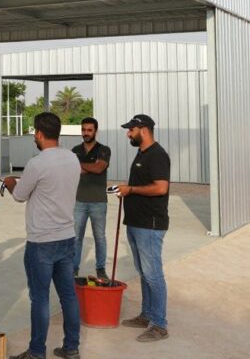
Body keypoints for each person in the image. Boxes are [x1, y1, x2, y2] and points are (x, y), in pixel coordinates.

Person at [3, 112, 81, 359]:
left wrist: (11, 181)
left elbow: (20, 195)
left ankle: (37, 352)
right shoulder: (72, 159)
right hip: (67, 237)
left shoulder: (37, 163)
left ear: (38, 133)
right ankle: (71, 347)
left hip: (41, 242)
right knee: (68, 295)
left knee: (40, 299)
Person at [116, 114, 171, 343]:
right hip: (136, 222)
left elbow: (160, 188)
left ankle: (159, 324)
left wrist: (131, 190)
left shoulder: (157, 155)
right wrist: (126, 191)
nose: (128, 133)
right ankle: (146, 314)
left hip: (150, 224)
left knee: (153, 274)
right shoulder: (142, 153)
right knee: (144, 272)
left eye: (131, 130)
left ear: (144, 130)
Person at [71, 117, 112, 279]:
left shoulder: (104, 149)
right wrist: (92, 166)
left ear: (95, 131)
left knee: (100, 238)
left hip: (98, 202)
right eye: (83, 130)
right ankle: (73, 268)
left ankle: (100, 269)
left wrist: (82, 166)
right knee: (76, 238)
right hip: (78, 200)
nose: (86, 133)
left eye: (89, 130)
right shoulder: (75, 150)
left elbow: (99, 168)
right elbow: (74, 169)